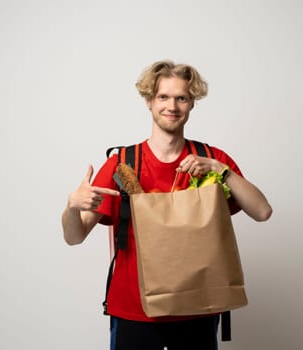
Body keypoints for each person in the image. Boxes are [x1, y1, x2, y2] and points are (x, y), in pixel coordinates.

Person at [61, 60, 272, 350]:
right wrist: (72, 206)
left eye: (181, 98)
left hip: (197, 308)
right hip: (133, 312)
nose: (172, 106)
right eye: (163, 97)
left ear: (191, 104)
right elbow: (74, 236)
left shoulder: (210, 158)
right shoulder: (123, 163)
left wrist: (221, 170)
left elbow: (262, 212)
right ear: (149, 101)